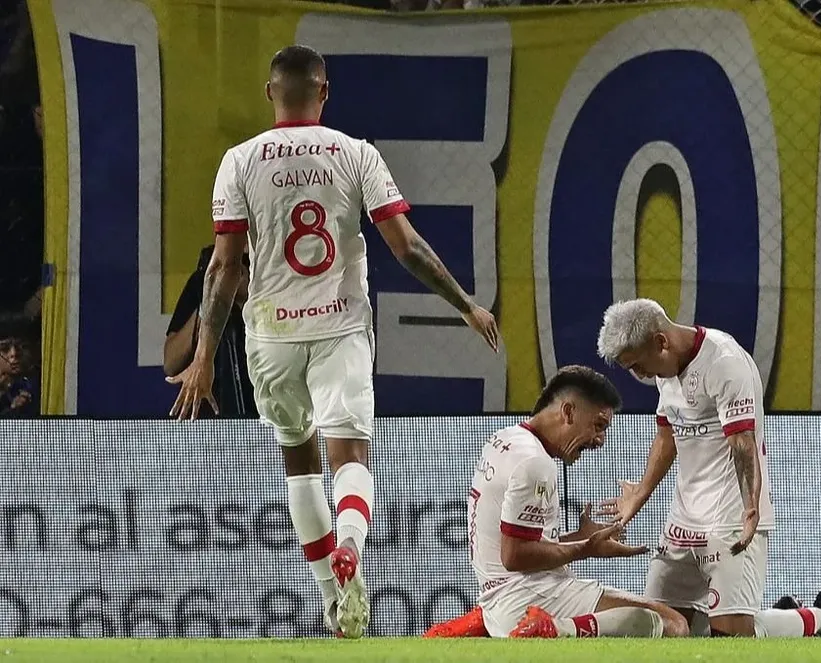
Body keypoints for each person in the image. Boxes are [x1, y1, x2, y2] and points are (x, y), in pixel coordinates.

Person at [166, 44, 499, 639]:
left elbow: (223, 268)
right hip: (340, 326)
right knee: (350, 457)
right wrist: (466, 305)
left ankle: (334, 603)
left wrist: (203, 358)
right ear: (324, 92)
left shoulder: (239, 161)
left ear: (271, 93)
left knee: (299, 462)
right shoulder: (355, 154)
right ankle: (351, 543)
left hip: (269, 335)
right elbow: (408, 249)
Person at [595, 298, 821, 638]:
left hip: (730, 518)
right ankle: (781, 615)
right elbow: (667, 434)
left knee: (732, 639)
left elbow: (742, 443)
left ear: (661, 342)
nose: (638, 375)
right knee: (663, 629)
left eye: (639, 365)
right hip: (682, 524)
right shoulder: (665, 370)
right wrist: (638, 496)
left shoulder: (724, 363)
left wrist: (750, 509)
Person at [457, 365, 689, 640]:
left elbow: (511, 543)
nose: (600, 440)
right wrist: (586, 548)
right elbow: (514, 556)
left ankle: (484, 624)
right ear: (568, 411)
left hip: (499, 598)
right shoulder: (536, 463)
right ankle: (550, 630)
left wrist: (576, 537)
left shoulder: (505, 439)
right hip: (530, 596)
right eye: (598, 425)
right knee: (673, 624)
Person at [163, 245, 257, 418]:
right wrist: (210, 304)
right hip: (213, 413)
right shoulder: (202, 282)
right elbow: (171, 363)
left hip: (262, 407)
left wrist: (246, 298)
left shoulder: (271, 277)